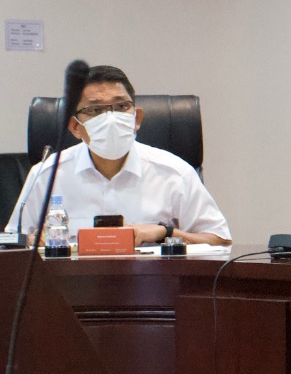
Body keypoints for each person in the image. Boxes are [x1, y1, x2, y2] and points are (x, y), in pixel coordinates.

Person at [5, 65, 232, 247]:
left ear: (137, 119)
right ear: (75, 127)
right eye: (95, 110)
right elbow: (9, 245)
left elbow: (221, 241)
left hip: (156, 295)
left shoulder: (174, 173)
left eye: (122, 106)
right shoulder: (46, 175)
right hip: (67, 297)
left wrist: (166, 232)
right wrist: (31, 242)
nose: (111, 118)